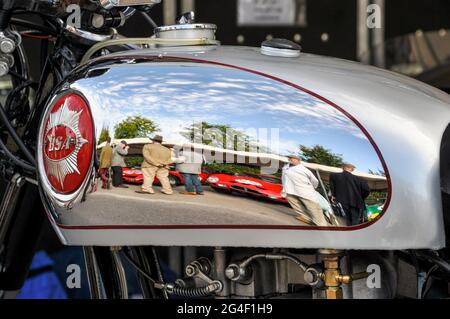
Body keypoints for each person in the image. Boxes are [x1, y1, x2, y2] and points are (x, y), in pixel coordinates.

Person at [281, 155, 329, 226]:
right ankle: (305, 217)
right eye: (289, 159)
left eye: (292, 159)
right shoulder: (286, 168)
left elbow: (315, 181)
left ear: (298, 160)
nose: (290, 160)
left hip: (304, 190)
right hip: (289, 189)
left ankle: (322, 225)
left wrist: (311, 188)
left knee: (312, 207)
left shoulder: (304, 169)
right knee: (295, 204)